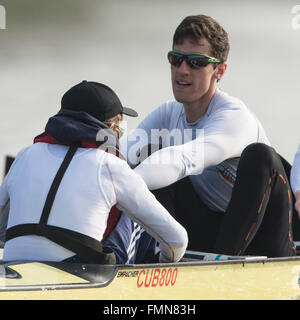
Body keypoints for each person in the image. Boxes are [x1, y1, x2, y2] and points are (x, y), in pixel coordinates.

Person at [120, 15, 297, 257]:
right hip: (210, 231)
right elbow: (119, 155)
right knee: (149, 152)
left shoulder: (234, 117)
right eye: (176, 59)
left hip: (265, 241)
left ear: (220, 70)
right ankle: (163, 257)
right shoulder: (168, 113)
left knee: (261, 156)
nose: (182, 70)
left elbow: (184, 159)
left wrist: (119, 187)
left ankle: (220, 267)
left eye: (196, 62)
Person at [0, 80, 188, 264]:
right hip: (80, 272)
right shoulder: (111, 166)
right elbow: (177, 241)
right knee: (138, 207)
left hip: (14, 266)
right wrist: (164, 266)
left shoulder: (26, 155)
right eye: (120, 121)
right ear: (111, 126)